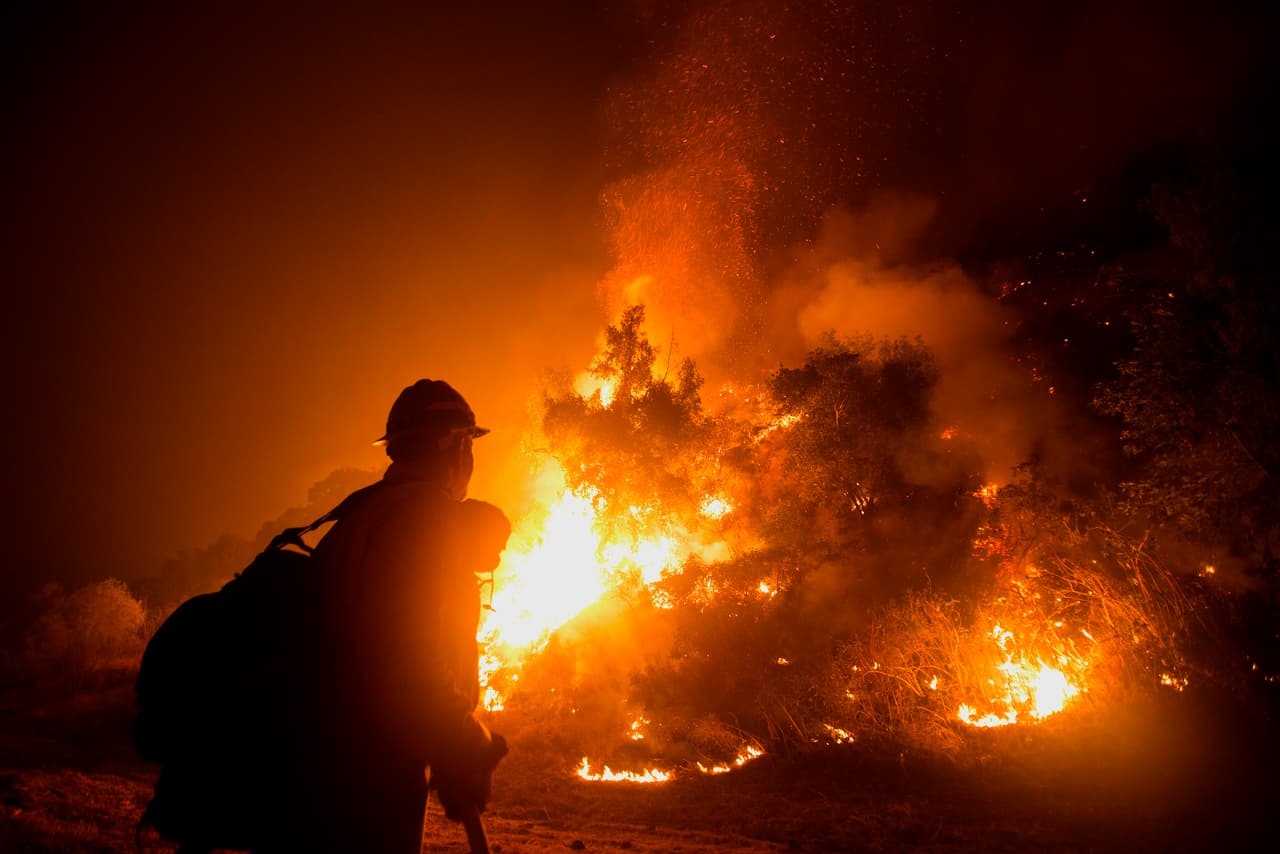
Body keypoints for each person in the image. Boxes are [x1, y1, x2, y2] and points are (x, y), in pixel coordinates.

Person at [270, 379, 511, 853]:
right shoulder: (424, 518)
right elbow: (406, 654)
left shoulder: (363, 514)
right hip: (371, 765)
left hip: (319, 753)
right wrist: (464, 738)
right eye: (468, 444)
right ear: (456, 446)